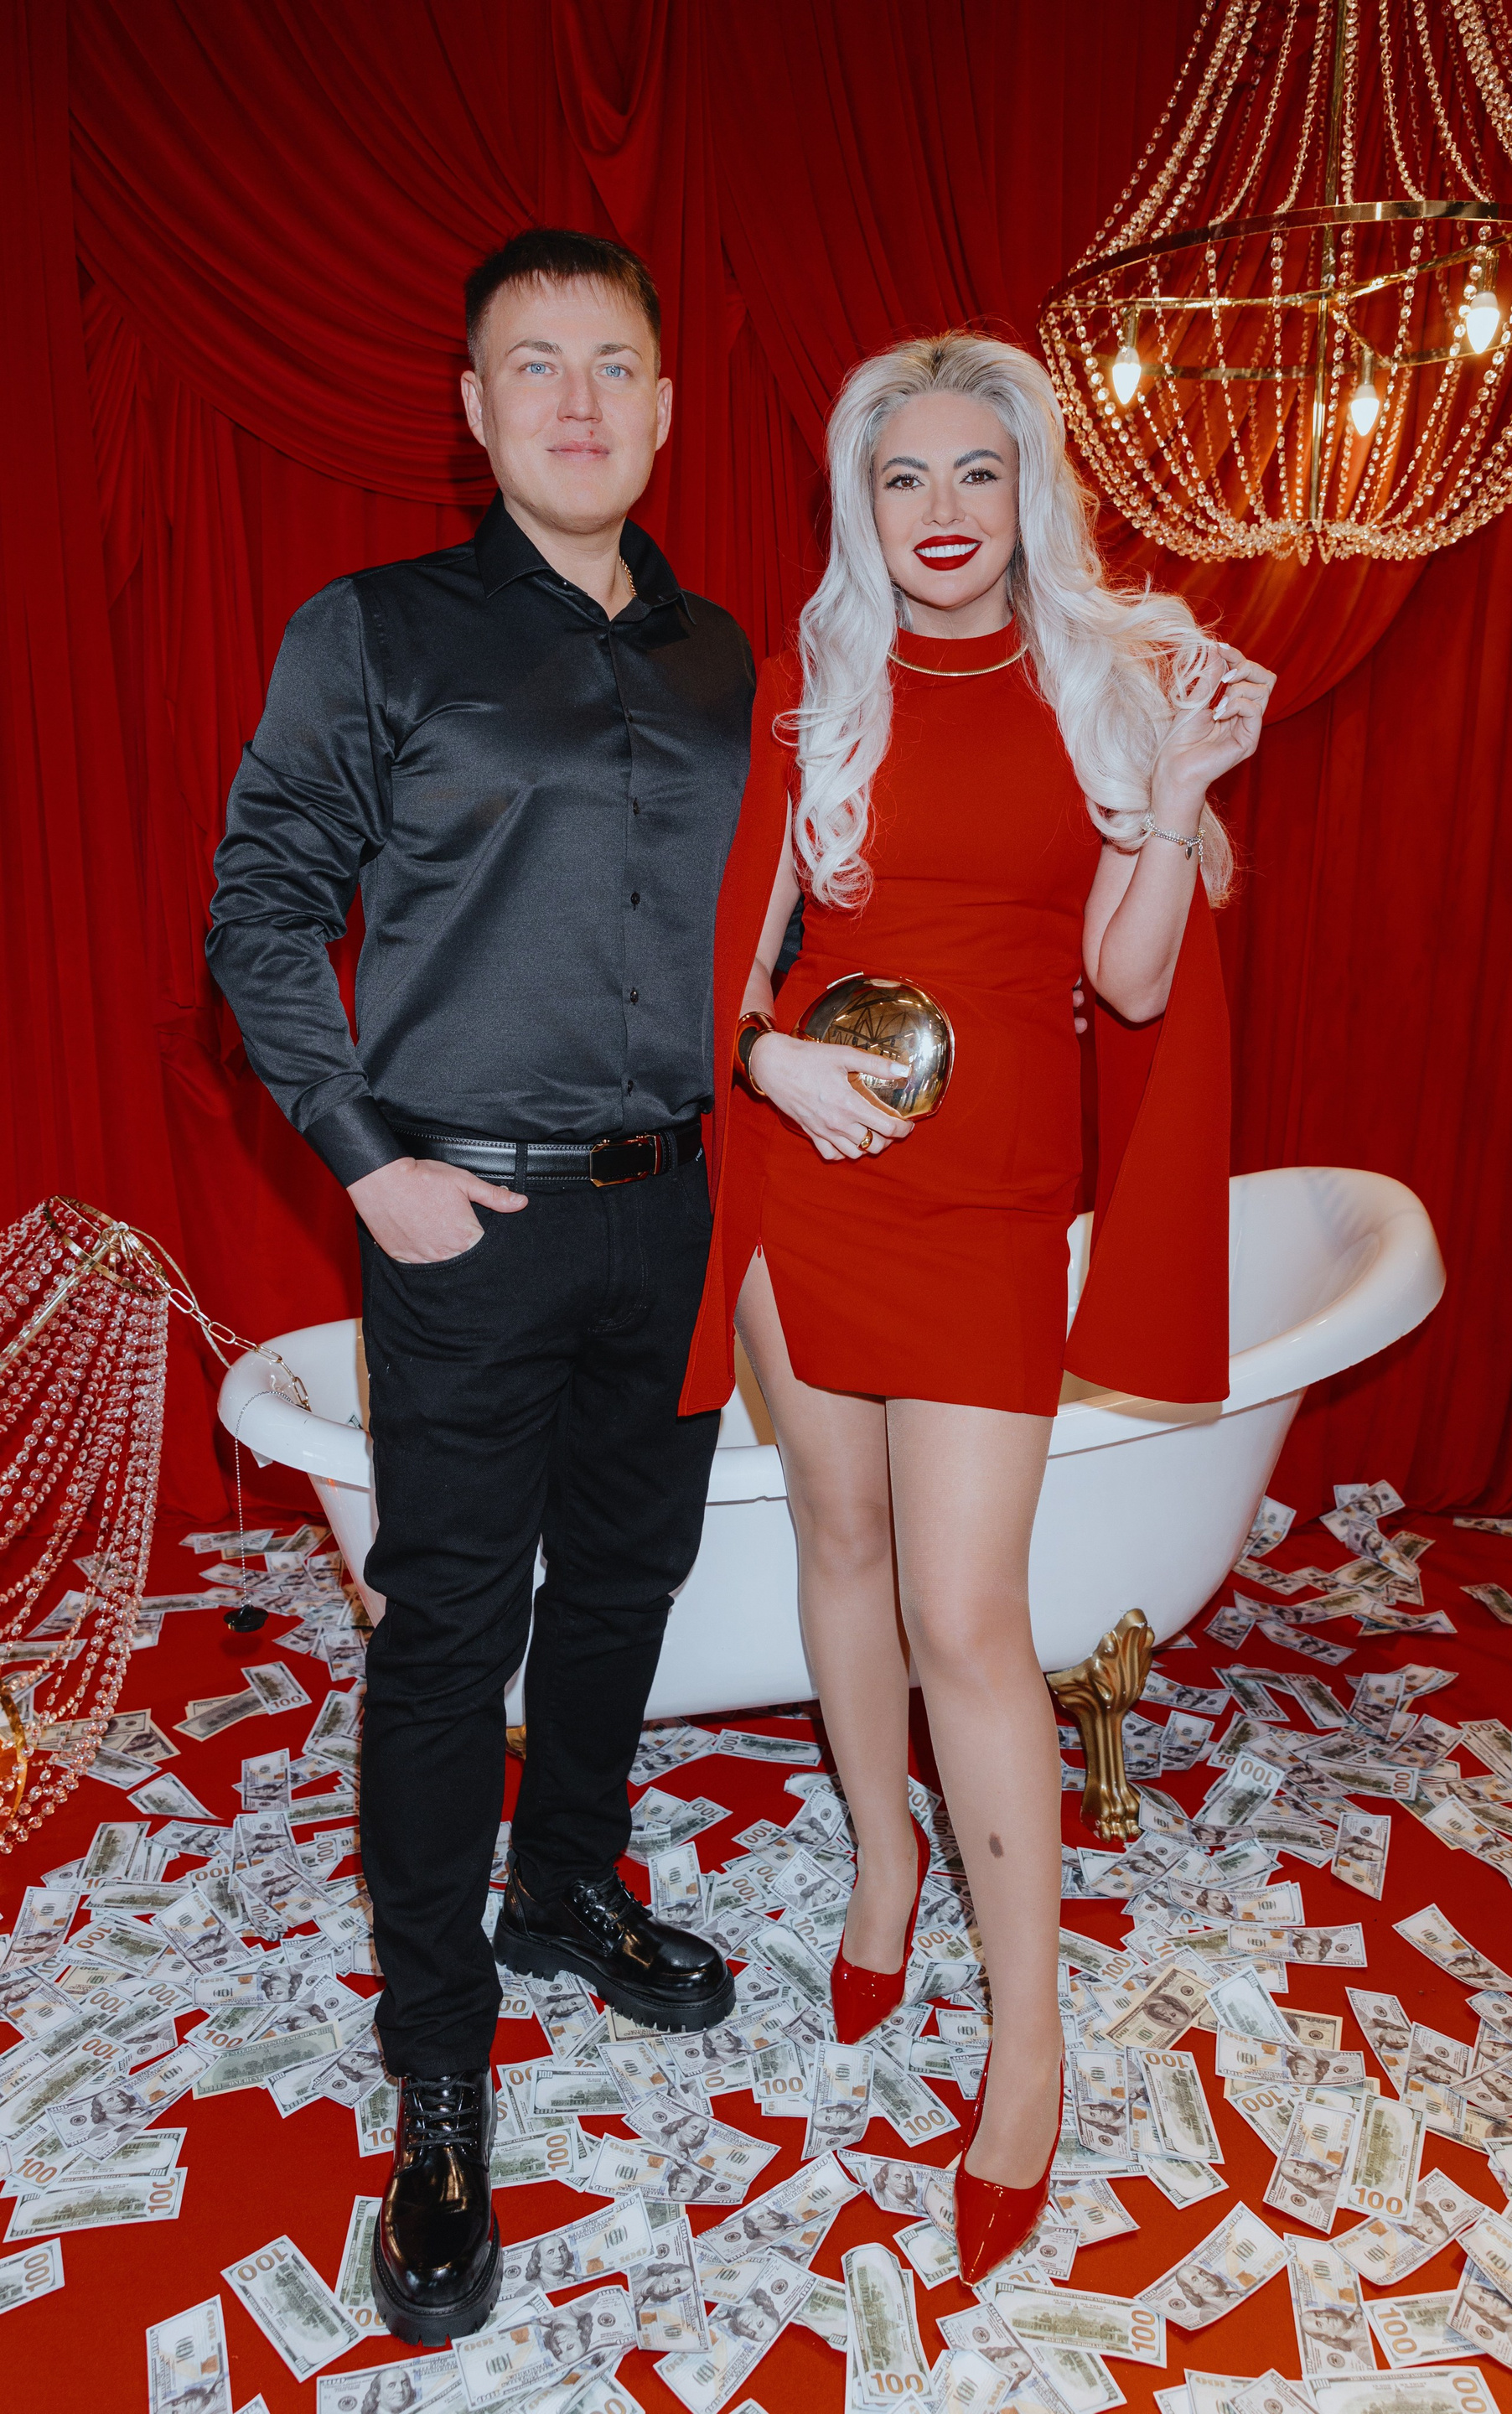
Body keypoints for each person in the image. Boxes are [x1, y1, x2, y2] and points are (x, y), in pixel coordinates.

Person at [207, 226, 753, 2345]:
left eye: (614, 362)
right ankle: (439, 2074)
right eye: (536, 363)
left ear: (667, 407)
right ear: (473, 408)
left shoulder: (725, 659)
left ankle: (569, 1889)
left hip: (673, 1212)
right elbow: (261, 910)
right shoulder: (375, 632)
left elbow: (774, 916)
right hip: (465, 1224)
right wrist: (371, 1162)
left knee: (626, 1584)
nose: (579, 400)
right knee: (450, 1636)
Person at [680, 330, 1272, 2282]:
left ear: (1031, 496)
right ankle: (884, 1856)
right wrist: (768, 1062)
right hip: (811, 1189)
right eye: (902, 477)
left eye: (976, 474)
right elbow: (733, 969)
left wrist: (1178, 791)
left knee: (968, 1618)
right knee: (841, 1542)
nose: (940, 513)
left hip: (993, 1205)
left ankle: (1031, 2039)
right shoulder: (806, 701)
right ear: (861, 504)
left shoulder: (1109, 691)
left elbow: (1135, 984)